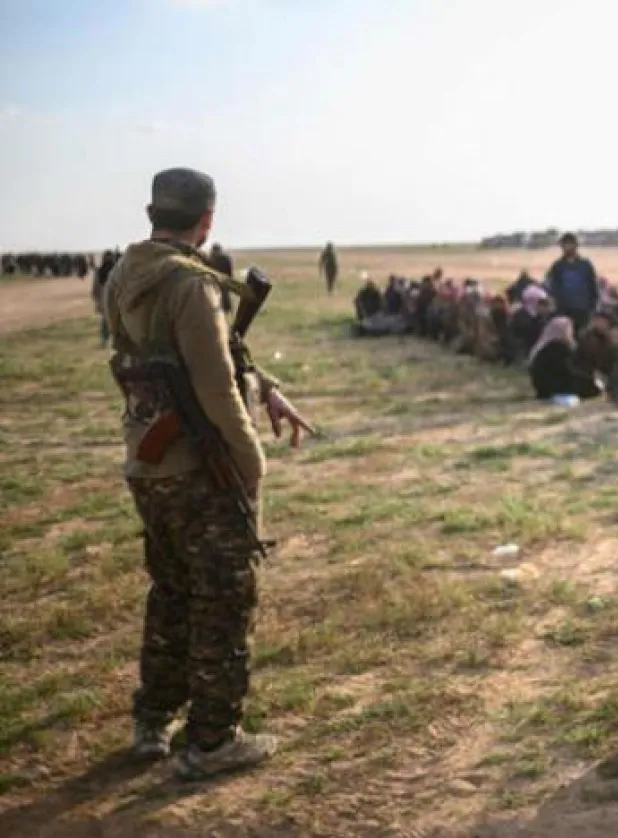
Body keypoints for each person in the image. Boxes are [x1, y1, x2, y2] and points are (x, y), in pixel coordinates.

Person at [104, 167, 314, 779]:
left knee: (170, 590)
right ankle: (214, 741)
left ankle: (153, 721)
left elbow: (171, 363)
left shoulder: (126, 273)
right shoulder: (192, 284)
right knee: (223, 597)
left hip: (147, 459)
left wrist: (265, 386)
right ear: (208, 219)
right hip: (199, 465)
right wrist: (252, 464)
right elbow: (216, 388)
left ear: (151, 212)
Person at [528, 316, 601, 402]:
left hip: (544, 389)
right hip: (556, 388)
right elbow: (568, 371)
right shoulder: (557, 348)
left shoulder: (543, 348)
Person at [545, 233, 601, 331]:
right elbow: (551, 286)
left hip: (583, 310)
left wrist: (593, 306)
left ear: (576, 245)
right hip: (563, 311)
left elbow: (593, 286)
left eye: (569, 244)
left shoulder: (585, 264)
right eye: (564, 244)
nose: (567, 247)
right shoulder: (558, 265)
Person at [507, 285, 553, 360]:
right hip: (520, 350)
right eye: (542, 303)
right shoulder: (523, 317)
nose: (545, 307)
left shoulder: (537, 317)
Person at [576, 309, 618, 381]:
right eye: (598, 320)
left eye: (604, 322)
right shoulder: (585, 337)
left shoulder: (611, 343)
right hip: (581, 375)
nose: (600, 323)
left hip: (600, 378)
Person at [207, 243, 234, 313]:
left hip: (222, 279)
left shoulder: (214, 258)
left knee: (224, 295)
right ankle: (224, 309)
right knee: (221, 295)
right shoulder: (223, 257)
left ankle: (226, 309)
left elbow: (229, 270)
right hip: (219, 279)